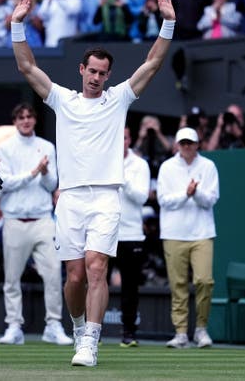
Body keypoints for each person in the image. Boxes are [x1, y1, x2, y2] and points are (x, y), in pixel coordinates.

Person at [10, 0, 176, 367]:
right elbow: (27, 68)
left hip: (105, 197)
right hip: (69, 198)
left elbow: (151, 64)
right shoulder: (62, 99)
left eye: (103, 73)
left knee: (97, 267)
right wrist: (17, 25)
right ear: (82, 70)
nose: (97, 78)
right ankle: (78, 325)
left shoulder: (118, 98)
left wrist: (167, 22)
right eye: (92, 71)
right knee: (74, 277)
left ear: (107, 75)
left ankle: (91, 342)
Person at [0, 102, 72, 346]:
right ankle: (14, 327)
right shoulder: (5, 148)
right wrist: (33, 172)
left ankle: (53, 325)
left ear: (35, 120)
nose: (26, 121)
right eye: (21, 117)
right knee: (12, 278)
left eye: (29, 117)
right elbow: (4, 183)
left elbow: (51, 185)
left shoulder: (47, 147)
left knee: (52, 275)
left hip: (42, 220)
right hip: (14, 220)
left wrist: (45, 172)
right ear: (15, 121)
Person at [157, 127, 219, 349]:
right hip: (173, 233)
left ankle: (201, 329)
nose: (186, 147)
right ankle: (181, 333)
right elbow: (163, 200)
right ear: (177, 145)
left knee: (204, 281)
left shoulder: (208, 166)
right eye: (182, 143)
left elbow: (211, 199)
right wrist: (187, 194)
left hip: (202, 232)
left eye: (190, 143)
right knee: (178, 284)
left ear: (197, 145)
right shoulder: (167, 167)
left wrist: (196, 193)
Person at [109, 126, 150, 347]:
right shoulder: (102, 159)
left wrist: (122, 176)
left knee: (130, 288)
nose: (121, 141)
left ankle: (129, 333)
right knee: (97, 283)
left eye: (124, 137)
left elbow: (142, 197)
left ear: (130, 139)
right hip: (104, 232)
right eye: (118, 137)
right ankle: (91, 333)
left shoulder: (140, 164)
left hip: (131, 234)